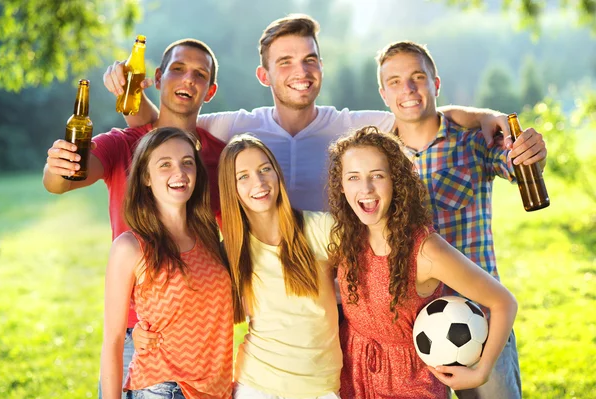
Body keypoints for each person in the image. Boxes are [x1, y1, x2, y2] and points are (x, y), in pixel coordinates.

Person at [105, 14, 512, 213]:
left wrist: (483, 116)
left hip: (343, 295)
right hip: (271, 303)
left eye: (310, 59)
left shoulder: (350, 125)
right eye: (285, 62)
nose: (301, 72)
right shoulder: (237, 127)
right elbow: (171, 125)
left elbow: (415, 112)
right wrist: (131, 95)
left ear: (321, 66)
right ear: (263, 75)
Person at [43, 38, 225, 398]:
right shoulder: (124, 143)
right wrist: (58, 166)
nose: (187, 79)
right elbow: (62, 182)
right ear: (157, 78)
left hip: (201, 345)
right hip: (134, 336)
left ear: (210, 89)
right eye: (177, 69)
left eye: (199, 74)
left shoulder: (219, 158)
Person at [375, 41, 548, 398]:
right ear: (383, 93)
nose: (407, 89)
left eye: (417, 77)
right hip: (410, 333)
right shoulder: (379, 158)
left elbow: (516, 163)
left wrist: (532, 155)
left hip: (481, 323)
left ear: (435, 84)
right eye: (394, 81)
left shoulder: (475, 141)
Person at [326, 126, 518, 398]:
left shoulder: (426, 250)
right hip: (352, 375)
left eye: (377, 175)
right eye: (353, 177)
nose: (366, 188)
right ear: (342, 187)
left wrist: (481, 371)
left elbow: (504, 302)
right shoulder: (347, 237)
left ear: (396, 180)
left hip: (410, 382)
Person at [100, 127, 232, 399]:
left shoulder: (207, 234)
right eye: (165, 165)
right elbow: (112, 342)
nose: (179, 173)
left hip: (216, 391)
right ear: (146, 177)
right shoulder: (131, 247)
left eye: (187, 162)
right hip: (165, 390)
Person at [220, 134, 340, 398]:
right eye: (244, 176)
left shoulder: (320, 228)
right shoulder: (229, 250)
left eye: (265, 170)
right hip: (257, 384)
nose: (259, 182)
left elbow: (374, 259)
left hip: (321, 387)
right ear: (231, 188)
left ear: (277, 174)